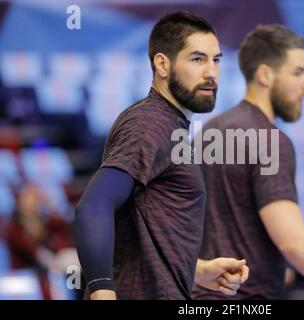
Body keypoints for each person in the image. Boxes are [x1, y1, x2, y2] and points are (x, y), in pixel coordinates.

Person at [74, 12, 248, 300]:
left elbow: (140, 239)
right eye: (197, 59)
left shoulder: (165, 124)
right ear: (162, 64)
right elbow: (93, 206)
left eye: (216, 60)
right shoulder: (150, 124)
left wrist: (197, 270)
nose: (211, 72)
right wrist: (102, 290)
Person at [191, 24, 304, 300]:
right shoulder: (270, 140)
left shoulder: (209, 133)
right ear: (265, 74)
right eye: (298, 72)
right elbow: (293, 242)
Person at [7, 183, 76, 299]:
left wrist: (51, 206)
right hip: (26, 273)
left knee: (74, 265)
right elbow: (32, 251)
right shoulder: (14, 227)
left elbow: (63, 229)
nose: (31, 202)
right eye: (27, 198)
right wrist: (52, 262)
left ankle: (79, 292)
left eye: (34, 198)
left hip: (47, 270)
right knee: (57, 275)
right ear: (19, 202)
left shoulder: (43, 220)